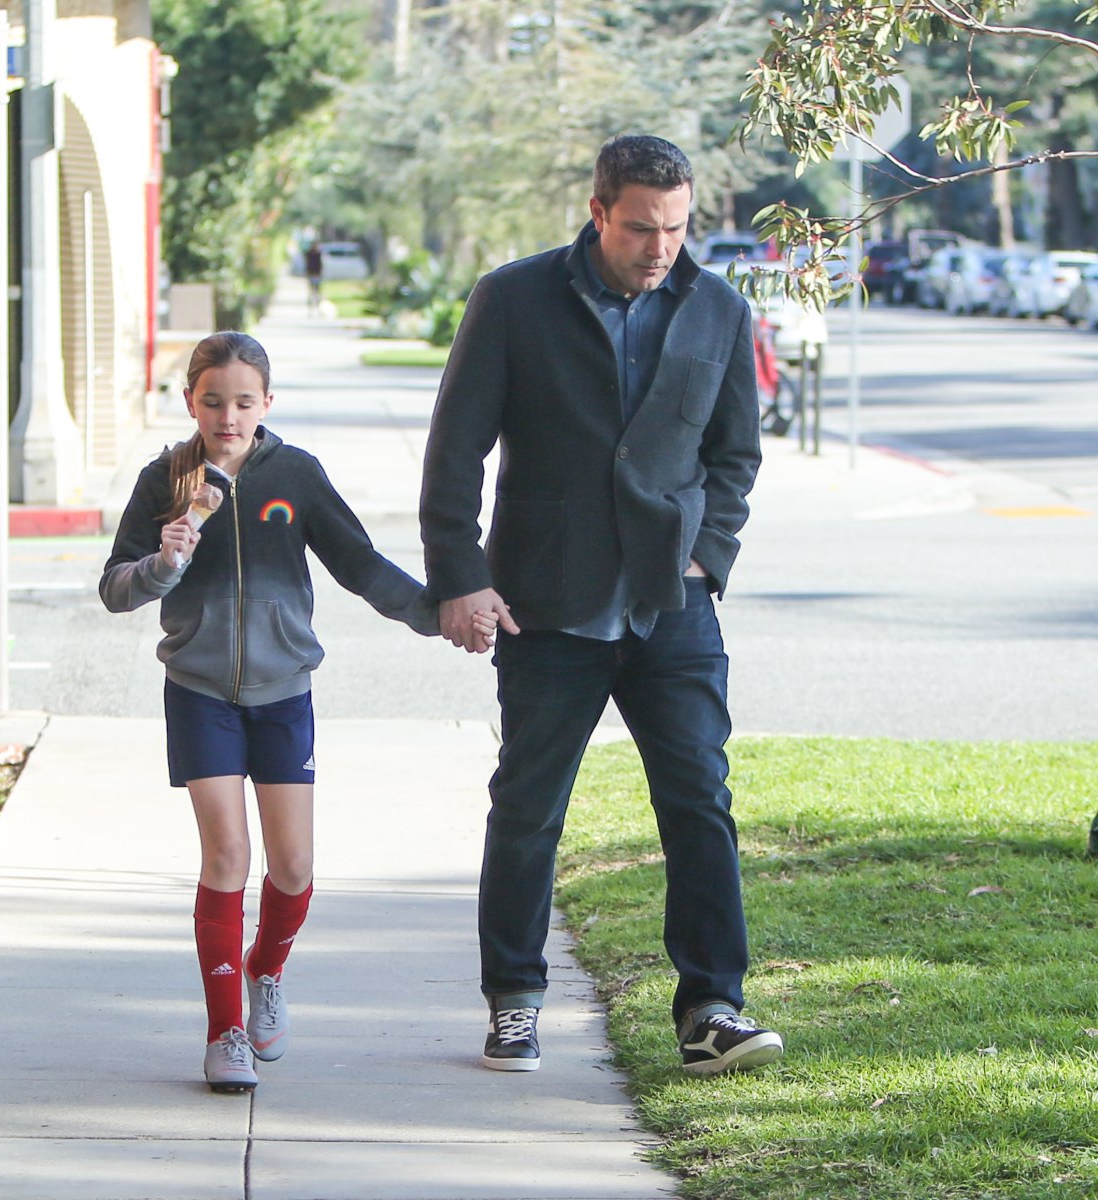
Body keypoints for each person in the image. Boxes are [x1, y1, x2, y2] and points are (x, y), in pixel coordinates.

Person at [419, 134, 783, 1077]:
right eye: (638, 227)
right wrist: (460, 575)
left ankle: (711, 1007)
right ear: (597, 212)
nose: (659, 245)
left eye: (675, 226)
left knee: (700, 801)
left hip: (673, 606)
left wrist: (711, 554)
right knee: (530, 806)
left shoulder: (718, 309)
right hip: (546, 603)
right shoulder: (513, 299)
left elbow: (735, 455)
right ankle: (514, 1000)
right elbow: (455, 451)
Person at [100, 331, 479, 1093]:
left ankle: (265, 970)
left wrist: (438, 614)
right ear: (190, 403)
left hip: (284, 694)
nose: (228, 416)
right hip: (200, 689)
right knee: (227, 858)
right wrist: (161, 566)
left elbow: (361, 564)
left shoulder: (296, 476)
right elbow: (115, 588)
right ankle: (225, 1031)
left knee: (296, 865)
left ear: (267, 403)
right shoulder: (163, 481)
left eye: (244, 402)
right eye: (213, 401)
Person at [304, 243, 323, 312]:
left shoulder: (318, 254)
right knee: (312, 290)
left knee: (317, 291)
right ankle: (311, 306)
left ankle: (317, 305)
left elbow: (320, 264)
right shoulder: (309, 254)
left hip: (316, 274)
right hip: (312, 274)